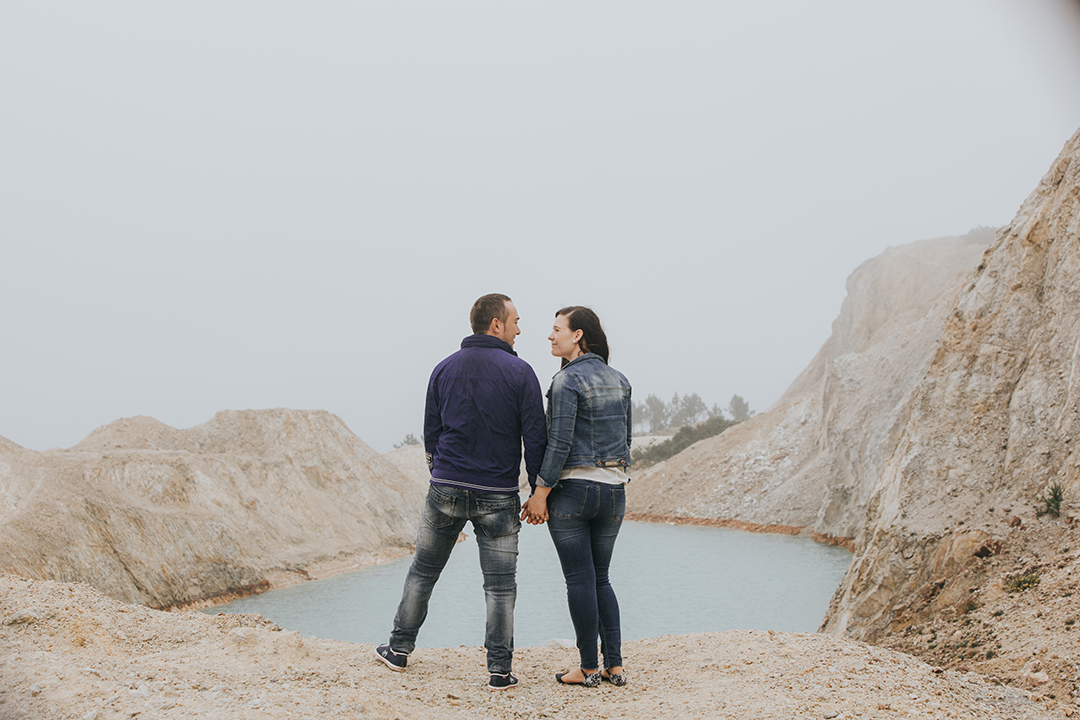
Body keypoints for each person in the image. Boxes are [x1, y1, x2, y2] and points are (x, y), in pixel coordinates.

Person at [376, 293, 547, 690]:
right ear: (496, 324)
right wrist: (539, 489)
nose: (519, 329)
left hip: (446, 488)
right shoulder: (521, 372)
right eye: (516, 321)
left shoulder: (443, 368)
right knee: (500, 586)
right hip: (498, 493)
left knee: (423, 571)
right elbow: (535, 437)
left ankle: (399, 650)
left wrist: (441, 473)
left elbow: (431, 431)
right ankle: (499, 671)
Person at [522, 306, 632, 688]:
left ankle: (587, 668)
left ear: (578, 335)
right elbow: (627, 440)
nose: (550, 336)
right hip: (615, 492)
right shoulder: (620, 380)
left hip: (574, 492)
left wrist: (540, 493)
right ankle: (614, 665)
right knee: (602, 578)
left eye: (557, 330)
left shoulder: (566, 381)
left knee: (580, 581)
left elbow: (559, 442)